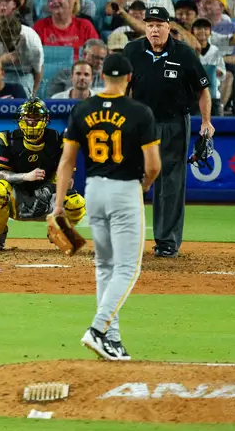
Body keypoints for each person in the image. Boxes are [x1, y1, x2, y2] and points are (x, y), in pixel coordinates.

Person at [54, 53, 161, 362]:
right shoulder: (140, 112)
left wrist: (59, 204)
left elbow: (66, 163)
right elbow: (153, 165)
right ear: (129, 79)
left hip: (94, 190)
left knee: (105, 266)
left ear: (102, 77)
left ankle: (111, 340)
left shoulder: (82, 110)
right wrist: (144, 186)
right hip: (124, 189)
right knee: (129, 267)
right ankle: (98, 329)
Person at [122, 6, 214, 259]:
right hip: (139, 125)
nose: (153, 29)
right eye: (149, 24)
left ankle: (167, 241)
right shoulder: (132, 51)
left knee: (170, 182)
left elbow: (203, 89)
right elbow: (122, 87)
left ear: (168, 27)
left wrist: (206, 121)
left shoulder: (184, 53)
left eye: (158, 25)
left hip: (173, 123)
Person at [0, 99, 85, 251]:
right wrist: (25, 176)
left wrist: (48, 189)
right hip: (18, 196)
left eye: (36, 118)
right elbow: (1, 174)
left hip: (49, 200)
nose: (32, 122)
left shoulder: (58, 141)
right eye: (28, 117)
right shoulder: (9, 139)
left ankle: (58, 233)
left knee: (77, 204)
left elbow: (67, 180)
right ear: (21, 119)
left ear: (45, 120)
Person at [33, 0, 100, 57]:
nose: (54, 1)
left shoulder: (85, 26)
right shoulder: (40, 26)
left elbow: (96, 53)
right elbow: (33, 55)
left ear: (70, 2)